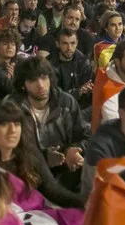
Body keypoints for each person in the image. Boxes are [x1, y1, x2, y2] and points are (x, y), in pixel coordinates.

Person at [9, 58, 88, 196]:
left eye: (44, 78)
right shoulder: (12, 108)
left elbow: (86, 136)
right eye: (33, 80)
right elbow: (7, 152)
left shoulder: (66, 102)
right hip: (29, 178)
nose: (41, 85)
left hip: (67, 173)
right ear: (23, 85)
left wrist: (74, 150)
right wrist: (44, 159)